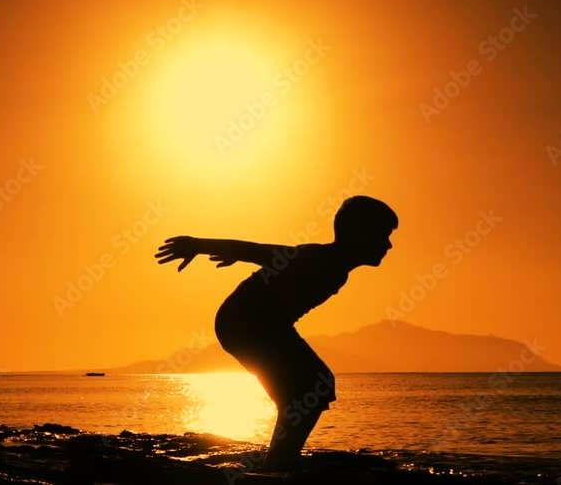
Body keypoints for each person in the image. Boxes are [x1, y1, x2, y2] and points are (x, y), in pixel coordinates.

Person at [155, 195, 398, 472]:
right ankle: (280, 462)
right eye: (382, 235)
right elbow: (262, 251)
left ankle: (280, 460)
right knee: (315, 385)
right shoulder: (321, 260)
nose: (388, 244)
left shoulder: (338, 269)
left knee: (303, 392)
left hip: (265, 326)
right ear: (359, 234)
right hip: (244, 323)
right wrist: (198, 245)